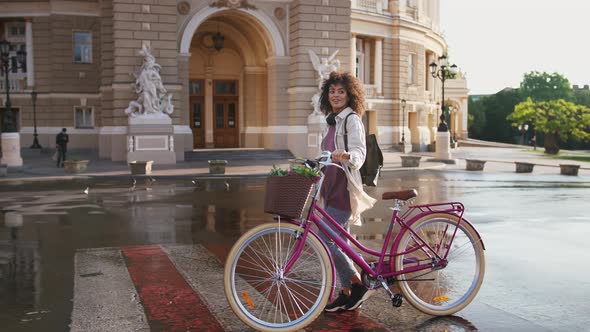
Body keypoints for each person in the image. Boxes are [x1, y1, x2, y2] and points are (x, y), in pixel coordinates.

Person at [318, 71, 377, 312]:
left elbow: (359, 154)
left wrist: (348, 155)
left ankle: (357, 283)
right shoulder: (331, 120)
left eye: (341, 91)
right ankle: (346, 291)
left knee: (325, 239)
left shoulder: (352, 119)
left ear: (349, 94)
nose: (336, 95)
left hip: (344, 188)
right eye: (332, 91)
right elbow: (326, 152)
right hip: (329, 187)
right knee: (339, 241)